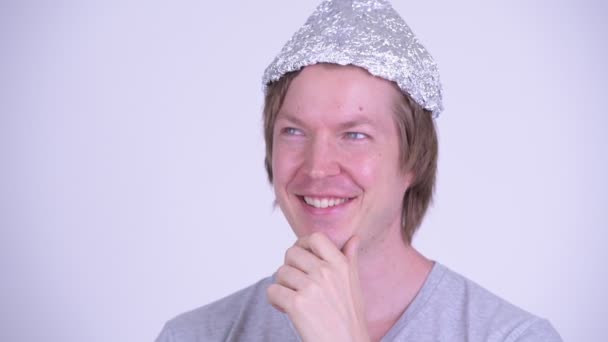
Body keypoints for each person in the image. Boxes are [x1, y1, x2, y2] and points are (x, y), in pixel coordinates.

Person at [156, 0, 562, 341]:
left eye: (355, 135)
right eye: (294, 131)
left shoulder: (512, 337)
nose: (317, 167)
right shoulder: (197, 335)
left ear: (414, 161)